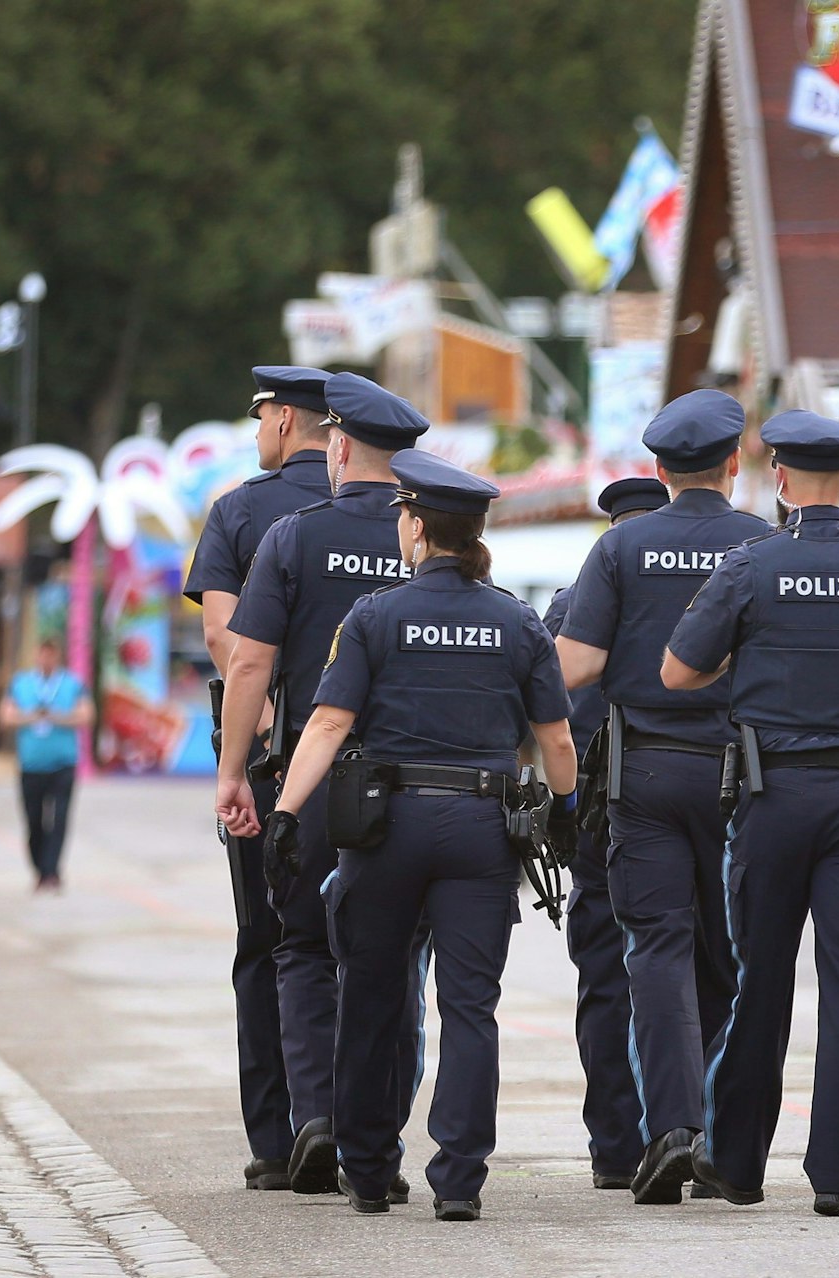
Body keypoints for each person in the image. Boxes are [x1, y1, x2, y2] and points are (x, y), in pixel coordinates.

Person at [226, 449, 578, 1222]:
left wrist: (285, 812)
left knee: (372, 996)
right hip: (482, 832)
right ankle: (459, 1179)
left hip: (387, 831)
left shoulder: (375, 616)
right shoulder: (517, 621)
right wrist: (566, 814)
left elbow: (326, 722)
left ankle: (372, 1168)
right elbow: (555, 743)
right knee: (470, 1006)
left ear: (417, 528)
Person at [662, 409, 839, 1218]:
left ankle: (739, 1165)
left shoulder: (750, 568)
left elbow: (678, 672)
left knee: (761, 983)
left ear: (780, 481)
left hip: (772, 796)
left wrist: (761, 669)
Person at [214, 372, 430, 1199]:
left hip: (308, 773)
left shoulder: (292, 536)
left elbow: (250, 659)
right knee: (396, 962)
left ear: (336, 446)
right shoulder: (429, 532)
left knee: (302, 949)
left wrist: (235, 771)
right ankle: (376, 1133)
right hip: (409, 782)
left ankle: (314, 1120)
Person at [557, 390, 770, 1205]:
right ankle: (716, 1136)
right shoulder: (760, 544)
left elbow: (572, 667)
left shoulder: (623, 547)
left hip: (642, 773)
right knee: (727, 956)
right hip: (739, 776)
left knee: (655, 948)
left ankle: (671, 1128)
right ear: (733, 464)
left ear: (657, 470)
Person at [180, 364, 332, 1190]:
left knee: (267, 941)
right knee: (368, 948)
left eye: (259, 418)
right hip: (371, 766)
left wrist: (266, 738)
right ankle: (358, 1129)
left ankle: (277, 1143)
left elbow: (223, 639)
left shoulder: (239, 509)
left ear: (280, 421)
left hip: (273, 760)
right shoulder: (392, 510)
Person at [539, 474, 666, 1191]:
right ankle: (678, 1128)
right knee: (683, 968)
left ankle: (615, 1147)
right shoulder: (696, 594)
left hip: (594, 819)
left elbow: (546, 716)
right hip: (682, 805)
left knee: (604, 980)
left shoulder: (568, 607)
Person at [0, 638, 91, 893]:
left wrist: (56, 717)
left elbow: (85, 715)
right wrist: (31, 716)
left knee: (59, 819)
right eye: (42, 655)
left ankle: (52, 871)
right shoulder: (22, 683)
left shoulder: (72, 684)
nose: (46, 660)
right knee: (34, 820)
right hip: (32, 763)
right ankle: (40, 868)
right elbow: (5, 716)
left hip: (62, 763)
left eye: (51, 655)